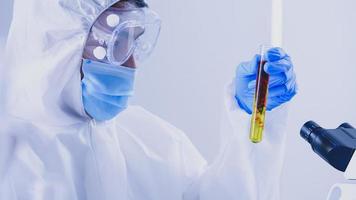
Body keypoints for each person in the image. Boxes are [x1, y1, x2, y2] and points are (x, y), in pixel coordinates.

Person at [0, 0, 297, 199]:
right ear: (57, 44)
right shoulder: (10, 161)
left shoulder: (148, 140)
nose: (132, 65)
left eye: (134, 42)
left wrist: (252, 120)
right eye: (117, 43)